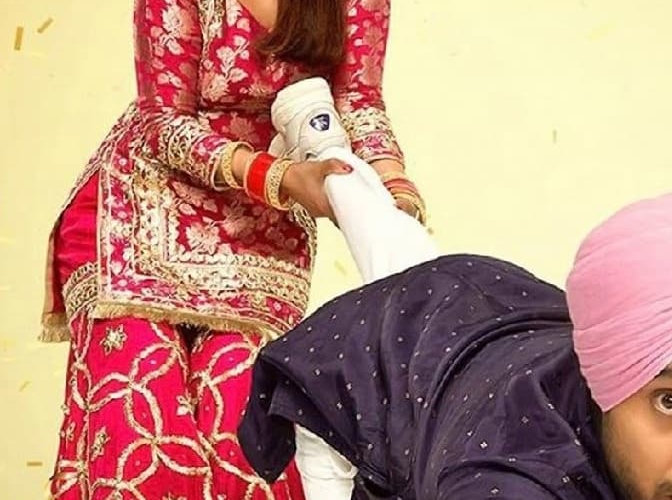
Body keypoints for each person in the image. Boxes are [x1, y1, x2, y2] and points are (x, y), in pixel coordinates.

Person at [238, 191, 672, 499]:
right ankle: (330, 154)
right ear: (605, 384)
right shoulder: (506, 479)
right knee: (398, 254)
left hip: (507, 313)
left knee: (400, 243)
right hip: (387, 354)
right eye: (671, 401)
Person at [41, 0, 424, 498]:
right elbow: (162, 121)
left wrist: (393, 194)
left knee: (246, 456)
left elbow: (357, 101)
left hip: (262, 233)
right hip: (139, 221)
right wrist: (279, 177)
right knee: (149, 450)